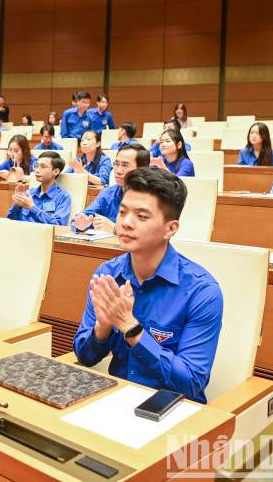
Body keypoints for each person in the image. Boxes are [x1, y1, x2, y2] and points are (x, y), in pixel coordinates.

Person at [73, 167, 223, 404]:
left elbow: (192, 383)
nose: (126, 223)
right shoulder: (108, 275)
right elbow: (85, 356)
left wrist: (129, 327)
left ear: (170, 229)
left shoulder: (202, 292)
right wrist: (102, 328)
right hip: (117, 400)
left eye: (141, 216)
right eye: (122, 213)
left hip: (174, 410)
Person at [72, 143, 150, 233]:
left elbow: (151, 234)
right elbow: (78, 219)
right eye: (116, 164)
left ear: (142, 169)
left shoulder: (152, 197)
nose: (118, 171)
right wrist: (82, 224)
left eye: (125, 165)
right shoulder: (107, 193)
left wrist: (115, 229)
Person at [8, 151, 71, 226]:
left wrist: (32, 208)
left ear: (56, 171)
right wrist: (17, 206)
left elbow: (58, 226)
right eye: (36, 166)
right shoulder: (28, 193)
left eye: (43, 167)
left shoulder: (63, 197)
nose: (37, 170)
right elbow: (10, 221)